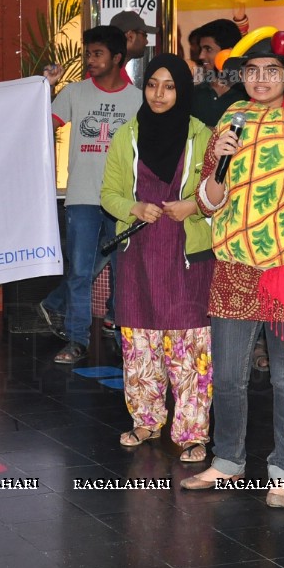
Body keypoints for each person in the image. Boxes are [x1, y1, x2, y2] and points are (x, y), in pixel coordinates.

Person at [181, 29, 284, 508]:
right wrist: (220, 167)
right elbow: (209, 203)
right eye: (251, 72)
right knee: (229, 375)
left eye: (270, 72)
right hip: (236, 267)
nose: (259, 80)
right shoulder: (230, 121)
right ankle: (228, 460)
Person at [100, 54, 214, 462]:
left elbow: (220, 192)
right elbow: (108, 194)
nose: (159, 94)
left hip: (187, 256)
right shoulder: (126, 136)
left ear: (182, 90)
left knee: (190, 346)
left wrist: (192, 206)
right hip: (138, 254)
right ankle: (146, 421)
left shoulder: (205, 137)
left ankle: (192, 433)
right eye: (152, 85)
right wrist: (132, 207)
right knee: (139, 342)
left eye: (168, 86)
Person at [39, 25, 140, 364]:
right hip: (82, 196)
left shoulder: (138, 99)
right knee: (82, 270)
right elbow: (40, 125)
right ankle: (77, 339)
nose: (90, 60)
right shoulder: (74, 94)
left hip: (123, 200)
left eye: (97, 54)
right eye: (88, 53)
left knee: (123, 270)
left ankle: (121, 329)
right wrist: (45, 88)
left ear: (117, 58)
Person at [189, 19, 246, 127]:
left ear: (228, 52)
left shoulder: (247, 95)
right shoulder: (193, 94)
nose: (201, 56)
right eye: (201, 49)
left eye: (208, 49)